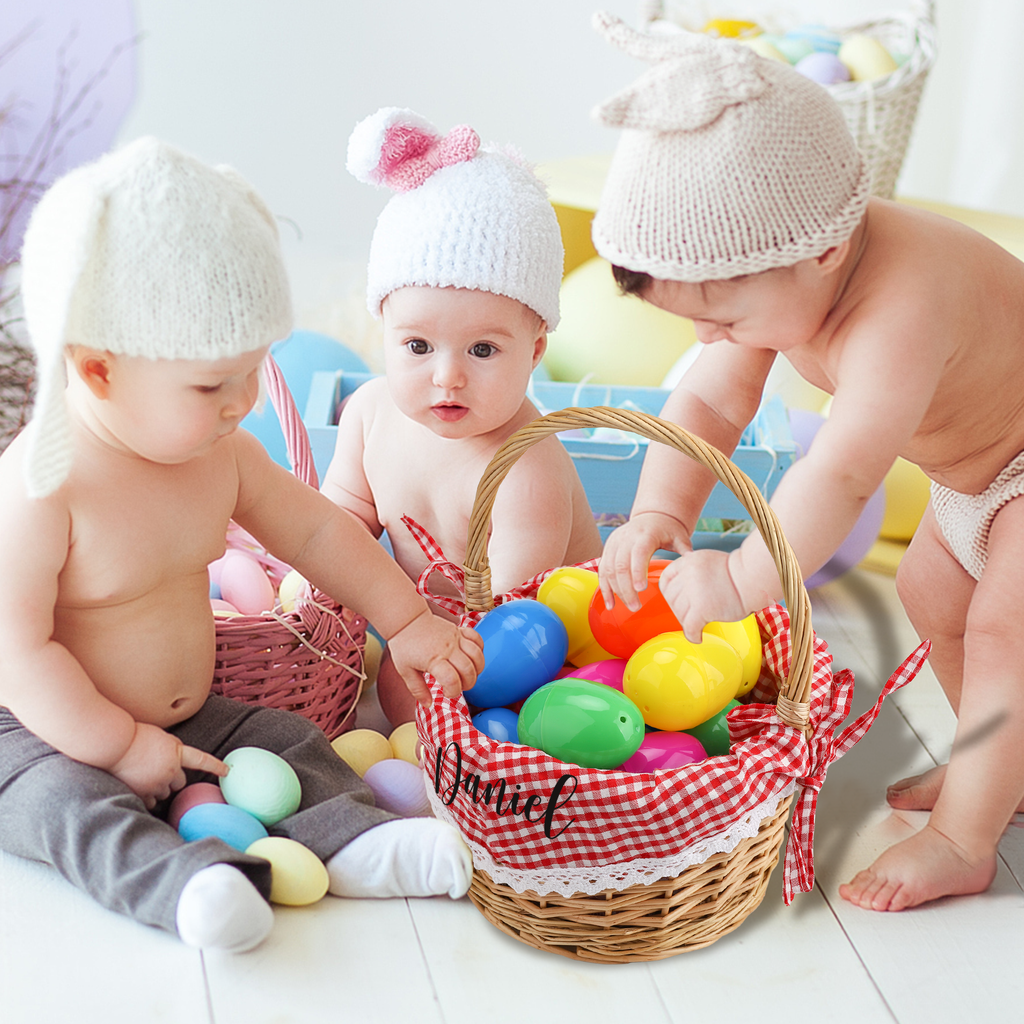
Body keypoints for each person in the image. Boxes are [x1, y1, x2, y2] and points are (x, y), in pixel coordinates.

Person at [0, 137, 485, 953]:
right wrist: (117, 745)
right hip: (42, 728)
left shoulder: (218, 455)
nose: (241, 403)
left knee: (290, 741)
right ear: (97, 371)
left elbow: (318, 529)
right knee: (62, 805)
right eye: (209, 385)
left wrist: (404, 623)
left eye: (253, 372)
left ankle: (354, 840)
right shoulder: (41, 490)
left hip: (191, 720)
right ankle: (184, 885)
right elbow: (17, 650)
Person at [589, 14, 1024, 912]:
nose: (710, 337)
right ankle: (1000, 768)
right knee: (932, 597)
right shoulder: (783, 279)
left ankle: (965, 840)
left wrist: (747, 577)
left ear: (822, 252)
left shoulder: (900, 308)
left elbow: (841, 475)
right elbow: (709, 402)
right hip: (978, 473)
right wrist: (660, 513)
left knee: (1002, 636)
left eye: (723, 318)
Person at [322, 108, 602, 726]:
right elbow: (342, 518)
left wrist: (427, 647)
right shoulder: (369, 413)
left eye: (482, 350)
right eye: (418, 347)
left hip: (542, 647)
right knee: (382, 688)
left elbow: (514, 608)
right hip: (423, 622)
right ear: (384, 335)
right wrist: (321, 584)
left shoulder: (525, 463)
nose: (447, 376)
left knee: (426, 699)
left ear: (534, 352)